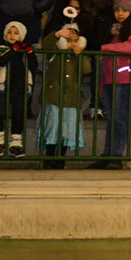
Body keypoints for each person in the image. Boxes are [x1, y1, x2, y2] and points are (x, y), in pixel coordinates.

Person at [89, 0, 131, 169]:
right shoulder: (113, 30)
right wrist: (102, 85)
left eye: (124, 10)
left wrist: (105, 47)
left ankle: (116, 154)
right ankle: (108, 154)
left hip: (125, 77)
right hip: (110, 77)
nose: (120, 13)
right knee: (112, 118)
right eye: (117, 10)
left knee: (120, 117)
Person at [38, 19, 87, 169]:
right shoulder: (55, 53)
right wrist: (57, 34)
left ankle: (61, 158)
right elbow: (46, 45)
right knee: (52, 128)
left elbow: (86, 69)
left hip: (71, 99)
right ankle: (49, 158)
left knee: (67, 130)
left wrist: (80, 55)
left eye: (74, 40)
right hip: (54, 97)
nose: (71, 43)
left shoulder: (78, 56)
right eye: (68, 40)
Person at [0, 21, 37, 158]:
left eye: (16, 33)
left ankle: (16, 145)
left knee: (19, 114)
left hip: (21, 86)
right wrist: (15, 49)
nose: (12, 35)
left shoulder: (25, 51)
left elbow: (34, 65)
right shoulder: (2, 48)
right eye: (9, 33)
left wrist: (29, 52)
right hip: (4, 86)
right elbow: (1, 61)